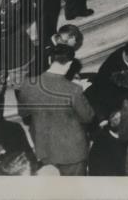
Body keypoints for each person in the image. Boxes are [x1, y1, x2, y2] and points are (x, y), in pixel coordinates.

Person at [17, 43, 95, 175]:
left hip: (44, 147)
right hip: (72, 151)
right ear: (69, 64)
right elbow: (88, 117)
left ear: (49, 60)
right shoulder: (73, 89)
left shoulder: (27, 84)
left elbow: (23, 113)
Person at [88, 110, 126, 176]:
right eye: (115, 118)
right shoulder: (101, 140)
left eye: (119, 118)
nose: (116, 120)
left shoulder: (125, 141)